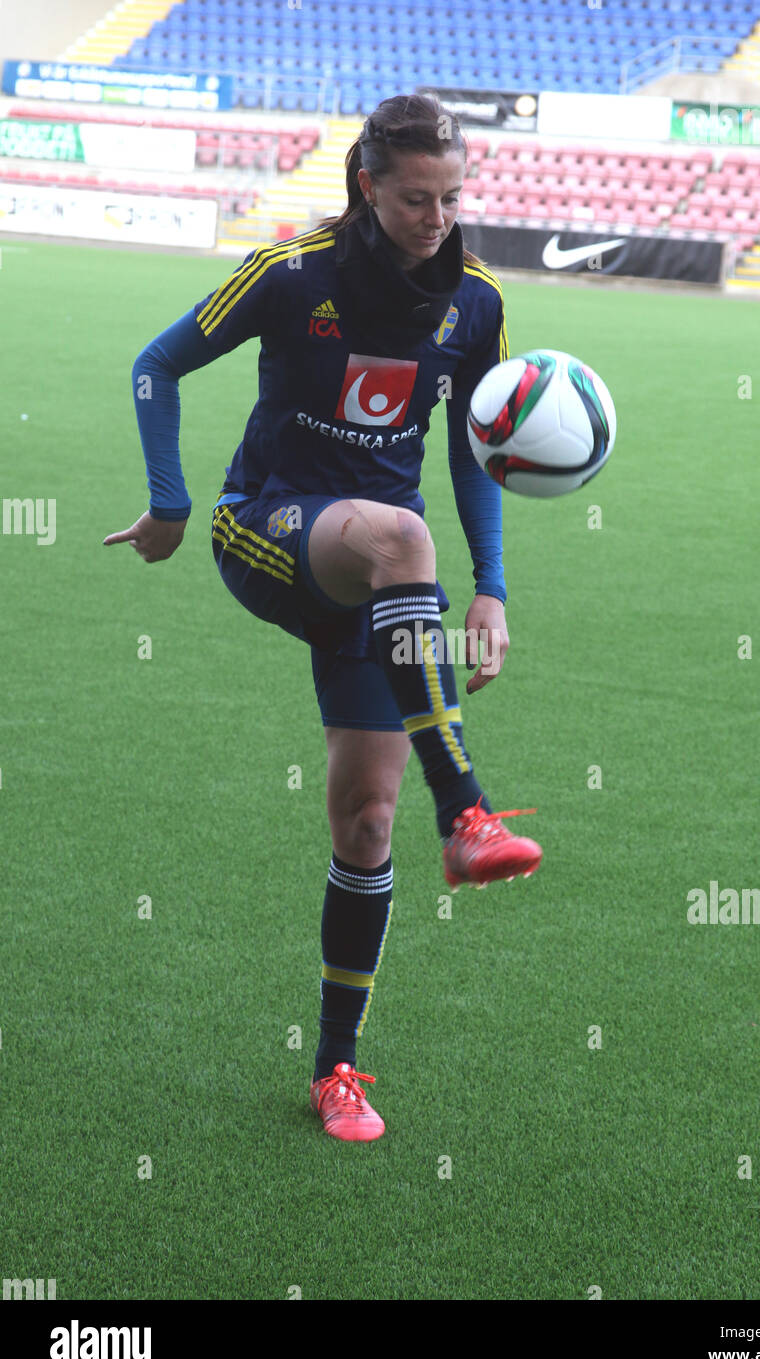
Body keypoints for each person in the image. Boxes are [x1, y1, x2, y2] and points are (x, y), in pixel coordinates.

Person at [103, 93, 542, 1144]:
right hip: (266, 529)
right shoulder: (291, 275)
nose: (435, 216)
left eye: (449, 197)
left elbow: (472, 452)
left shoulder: (474, 304)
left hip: (381, 585)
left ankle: (335, 1068)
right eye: (413, 198)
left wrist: (491, 586)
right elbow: (155, 364)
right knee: (400, 538)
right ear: (366, 186)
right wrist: (168, 501)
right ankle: (469, 811)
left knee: (362, 822)